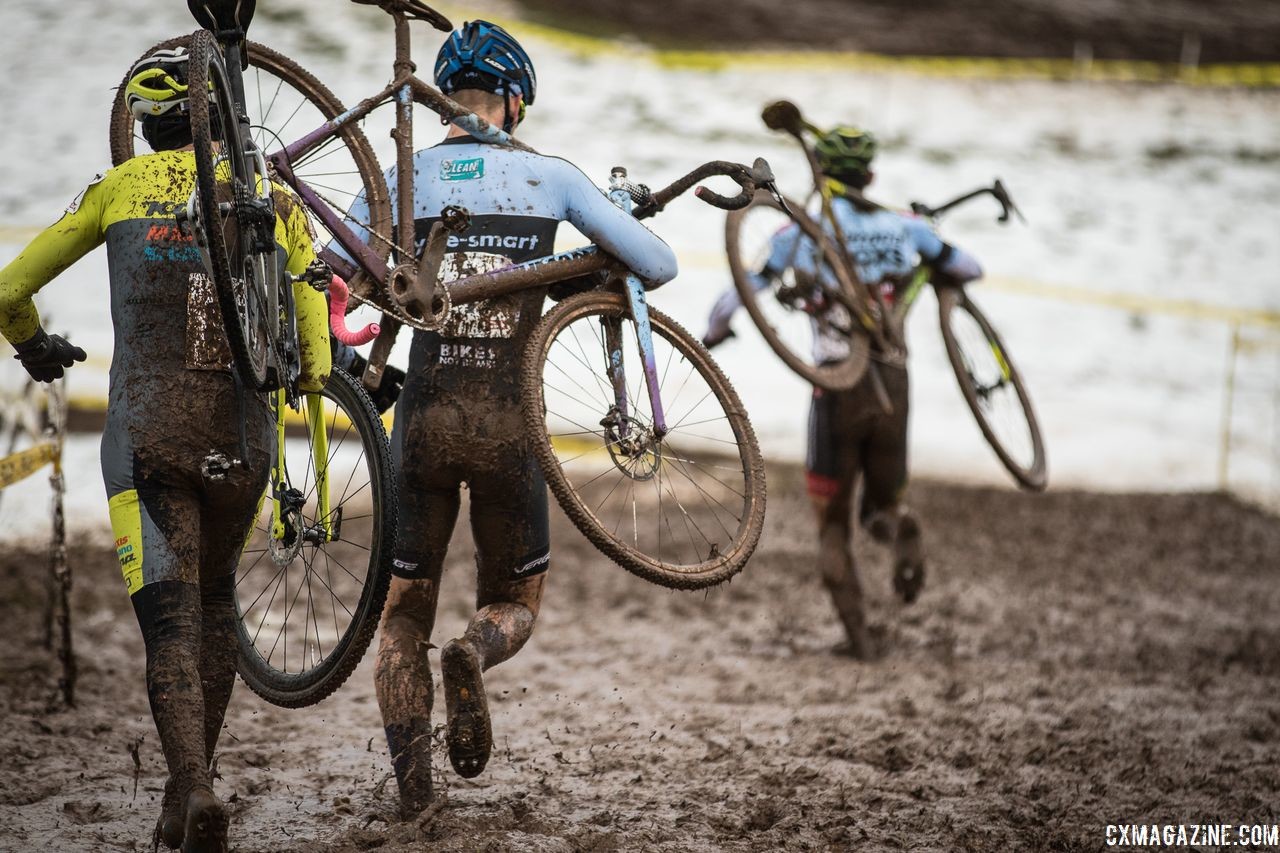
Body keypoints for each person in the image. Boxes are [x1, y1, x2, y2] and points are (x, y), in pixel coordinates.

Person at [336, 20, 677, 816]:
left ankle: (414, 790)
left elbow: (339, 274)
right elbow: (655, 265)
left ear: (443, 98)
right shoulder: (548, 176)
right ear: (514, 102)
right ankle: (473, 649)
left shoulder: (400, 178)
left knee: (401, 615)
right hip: (508, 423)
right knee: (517, 600)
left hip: (417, 417)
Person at [0, 48, 331, 852]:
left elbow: (8, 290)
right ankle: (194, 787)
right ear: (220, 118)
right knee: (217, 601)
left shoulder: (115, 191)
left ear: (145, 128)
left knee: (170, 627)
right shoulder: (273, 200)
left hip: (145, 439)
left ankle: (191, 787)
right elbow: (316, 348)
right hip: (243, 442)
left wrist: (35, 346)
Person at [703, 125, 982, 660]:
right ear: (871, 176)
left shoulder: (796, 234)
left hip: (837, 387)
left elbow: (733, 297)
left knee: (832, 525)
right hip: (895, 381)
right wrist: (926, 238)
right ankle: (901, 524)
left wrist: (716, 334)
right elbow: (969, 267)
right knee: (881, 505)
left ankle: (859, 641)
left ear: (823, 177)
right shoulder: (905, 226)